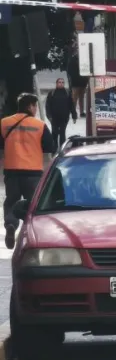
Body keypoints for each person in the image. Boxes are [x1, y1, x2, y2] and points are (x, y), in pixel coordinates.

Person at [1, 93, 57, 248]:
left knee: (11, 200)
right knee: (33, 204)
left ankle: (11, 224)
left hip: (11, 170)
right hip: (32, 171)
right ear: (30, 106)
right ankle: (30, 234)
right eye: (35, 106)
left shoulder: (4, 123)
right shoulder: (39, 125)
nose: (36, 109)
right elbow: (50, 147)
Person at [44, 78, 76, 150]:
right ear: (56, 83)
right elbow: (48, 105)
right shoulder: (52, 93)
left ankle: (62, 149)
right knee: (54, 133)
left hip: (64, 117)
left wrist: (74, 115)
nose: (61, 84)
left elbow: (71, 105)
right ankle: (54, 149)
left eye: (62, 82)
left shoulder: (67, 93)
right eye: (59, 82)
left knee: (62, 133)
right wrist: (49, 116)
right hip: (54, 118)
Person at [67, 49, 87, 119]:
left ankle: (81, 112)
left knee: (81, 98)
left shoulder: (85, 59)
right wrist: (73, 78)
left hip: (83, 82)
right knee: (74, 98)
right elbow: (69, 71)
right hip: (75, 82)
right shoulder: (72, 60)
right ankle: (73, 112)